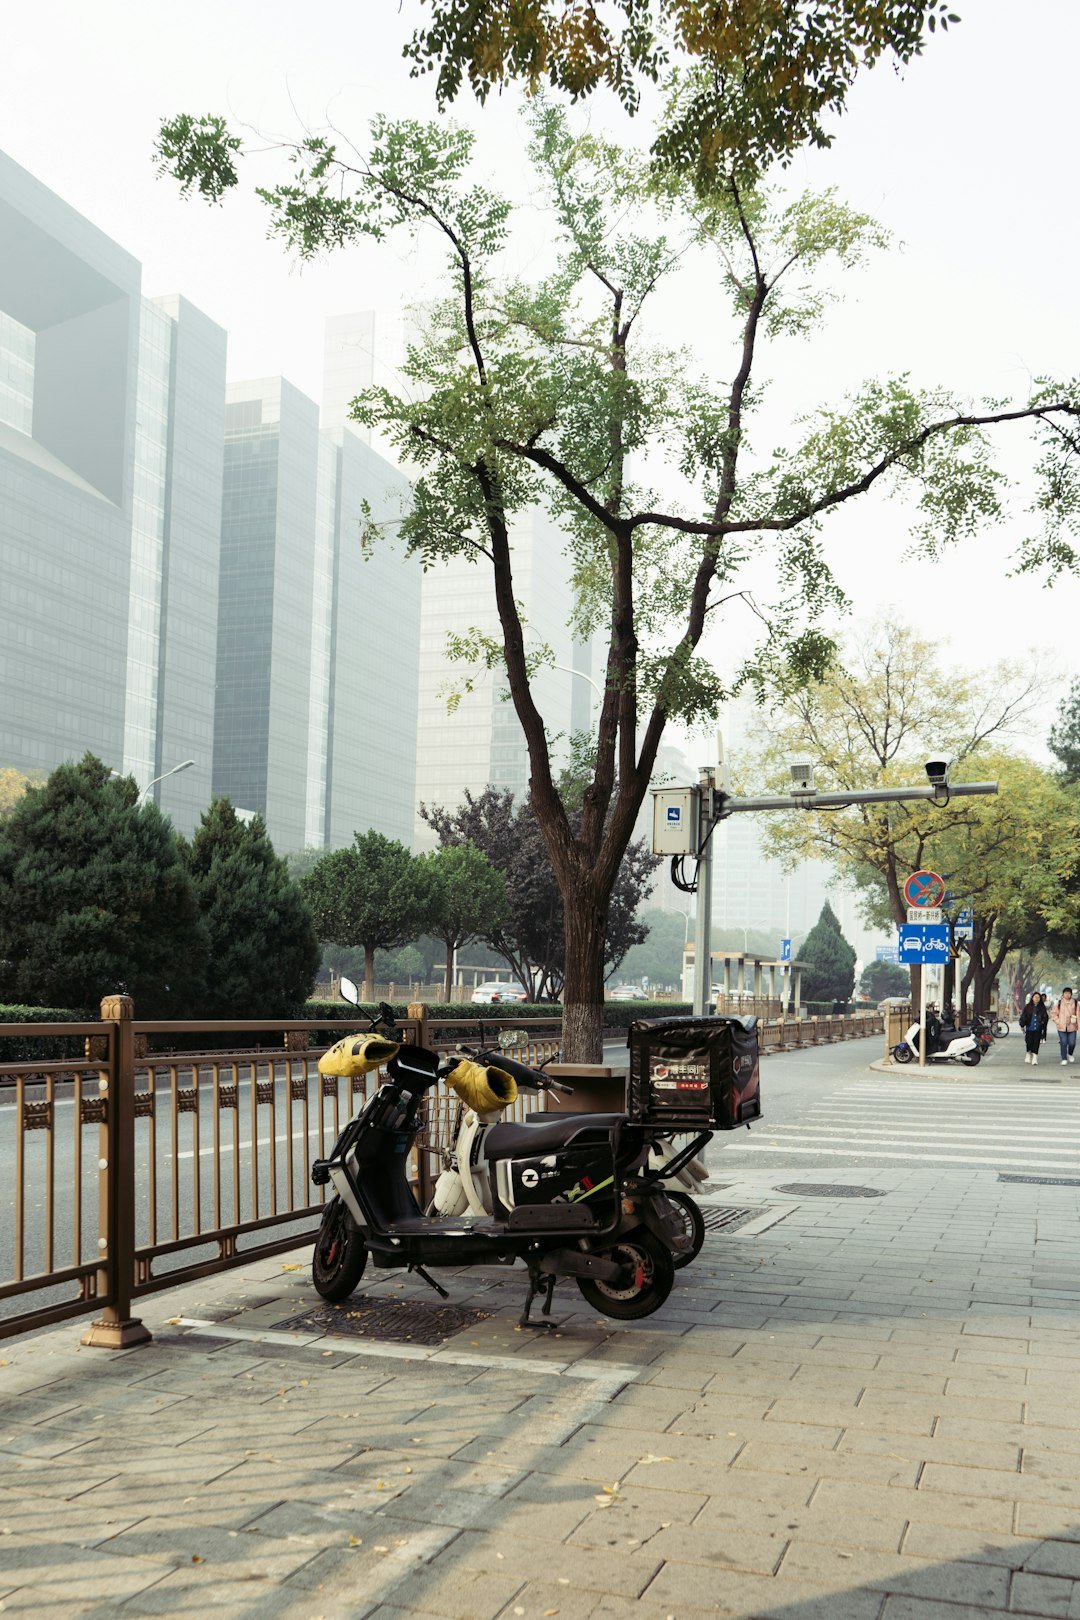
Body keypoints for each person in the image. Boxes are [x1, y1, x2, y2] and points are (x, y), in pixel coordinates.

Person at [1050, 987, 1079, 1066]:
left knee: (1072, 1043)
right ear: (1063, 994)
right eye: (1065, 993)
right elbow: (1053, 1014)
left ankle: (1070, 1054)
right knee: (1063, 1042)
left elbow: (1078, 1015)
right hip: (1061, 1027)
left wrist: (1077, 1024)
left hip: (1072, 1026)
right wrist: (1058, 1021)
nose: (1067, 995)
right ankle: (1064, 1058)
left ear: (1071, 994)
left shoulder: (1075, 1003)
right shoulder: (1059, 1003)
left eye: (1069, 993)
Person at [1020, 991, 1050, 1065]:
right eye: (1035, 997)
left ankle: (1035, 1058)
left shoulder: (1042, 1008)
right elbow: (1023, 1017)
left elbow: (1045, 1017)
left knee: (1036, 1043)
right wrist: (1022, 1025)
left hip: (1038, 1028)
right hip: (1029, 1027)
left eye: (1038, 997)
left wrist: (1043, 1023)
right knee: (1028, 1042)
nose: (1036, 999)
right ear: (1032, 998)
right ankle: (1028, 1053)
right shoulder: (1028, 1007)